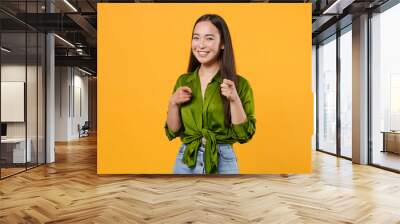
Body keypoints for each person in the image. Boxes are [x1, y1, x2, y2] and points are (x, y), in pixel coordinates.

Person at [164, 14, 256, 174]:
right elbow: (174, 130)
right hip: (186, 160)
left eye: (209, 38)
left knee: (222, 200)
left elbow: (243, 135)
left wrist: (234, 100)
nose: (200, 45)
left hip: (223, 161)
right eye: (196, 38)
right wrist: (173, 103)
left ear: (222, 44)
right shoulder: (183, 81)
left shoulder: (240, 85)